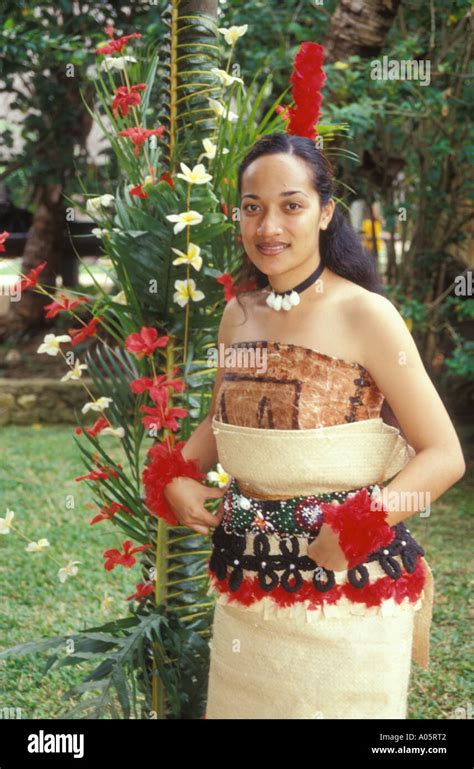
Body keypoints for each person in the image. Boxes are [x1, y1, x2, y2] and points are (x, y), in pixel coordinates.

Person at [162, 133, 466, 719]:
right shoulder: (238, 315)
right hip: (247, 592)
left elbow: (444, 454)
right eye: (252, 207)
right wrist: (177, 473)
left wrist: (356, 528)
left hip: (347, 593)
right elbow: (226, 418)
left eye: (291, 205)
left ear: (326, 212)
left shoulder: (366, 316)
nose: (268, 225)